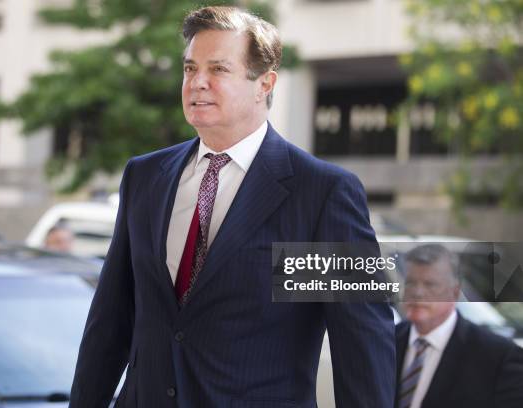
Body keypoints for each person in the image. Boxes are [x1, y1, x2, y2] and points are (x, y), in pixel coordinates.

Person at [70, 6, 395, 408]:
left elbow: (362, 345)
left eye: (218, 70)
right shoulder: (144, 177)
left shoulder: (323, 194)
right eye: (190, 69)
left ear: (264, 83)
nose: (197, 83)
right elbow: (109, 322)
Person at [396, 244, 523, 408]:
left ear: (454, 293)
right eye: (411, 283)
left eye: (430, 284)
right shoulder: (385, 341)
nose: (418, 293)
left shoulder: (499, 357)